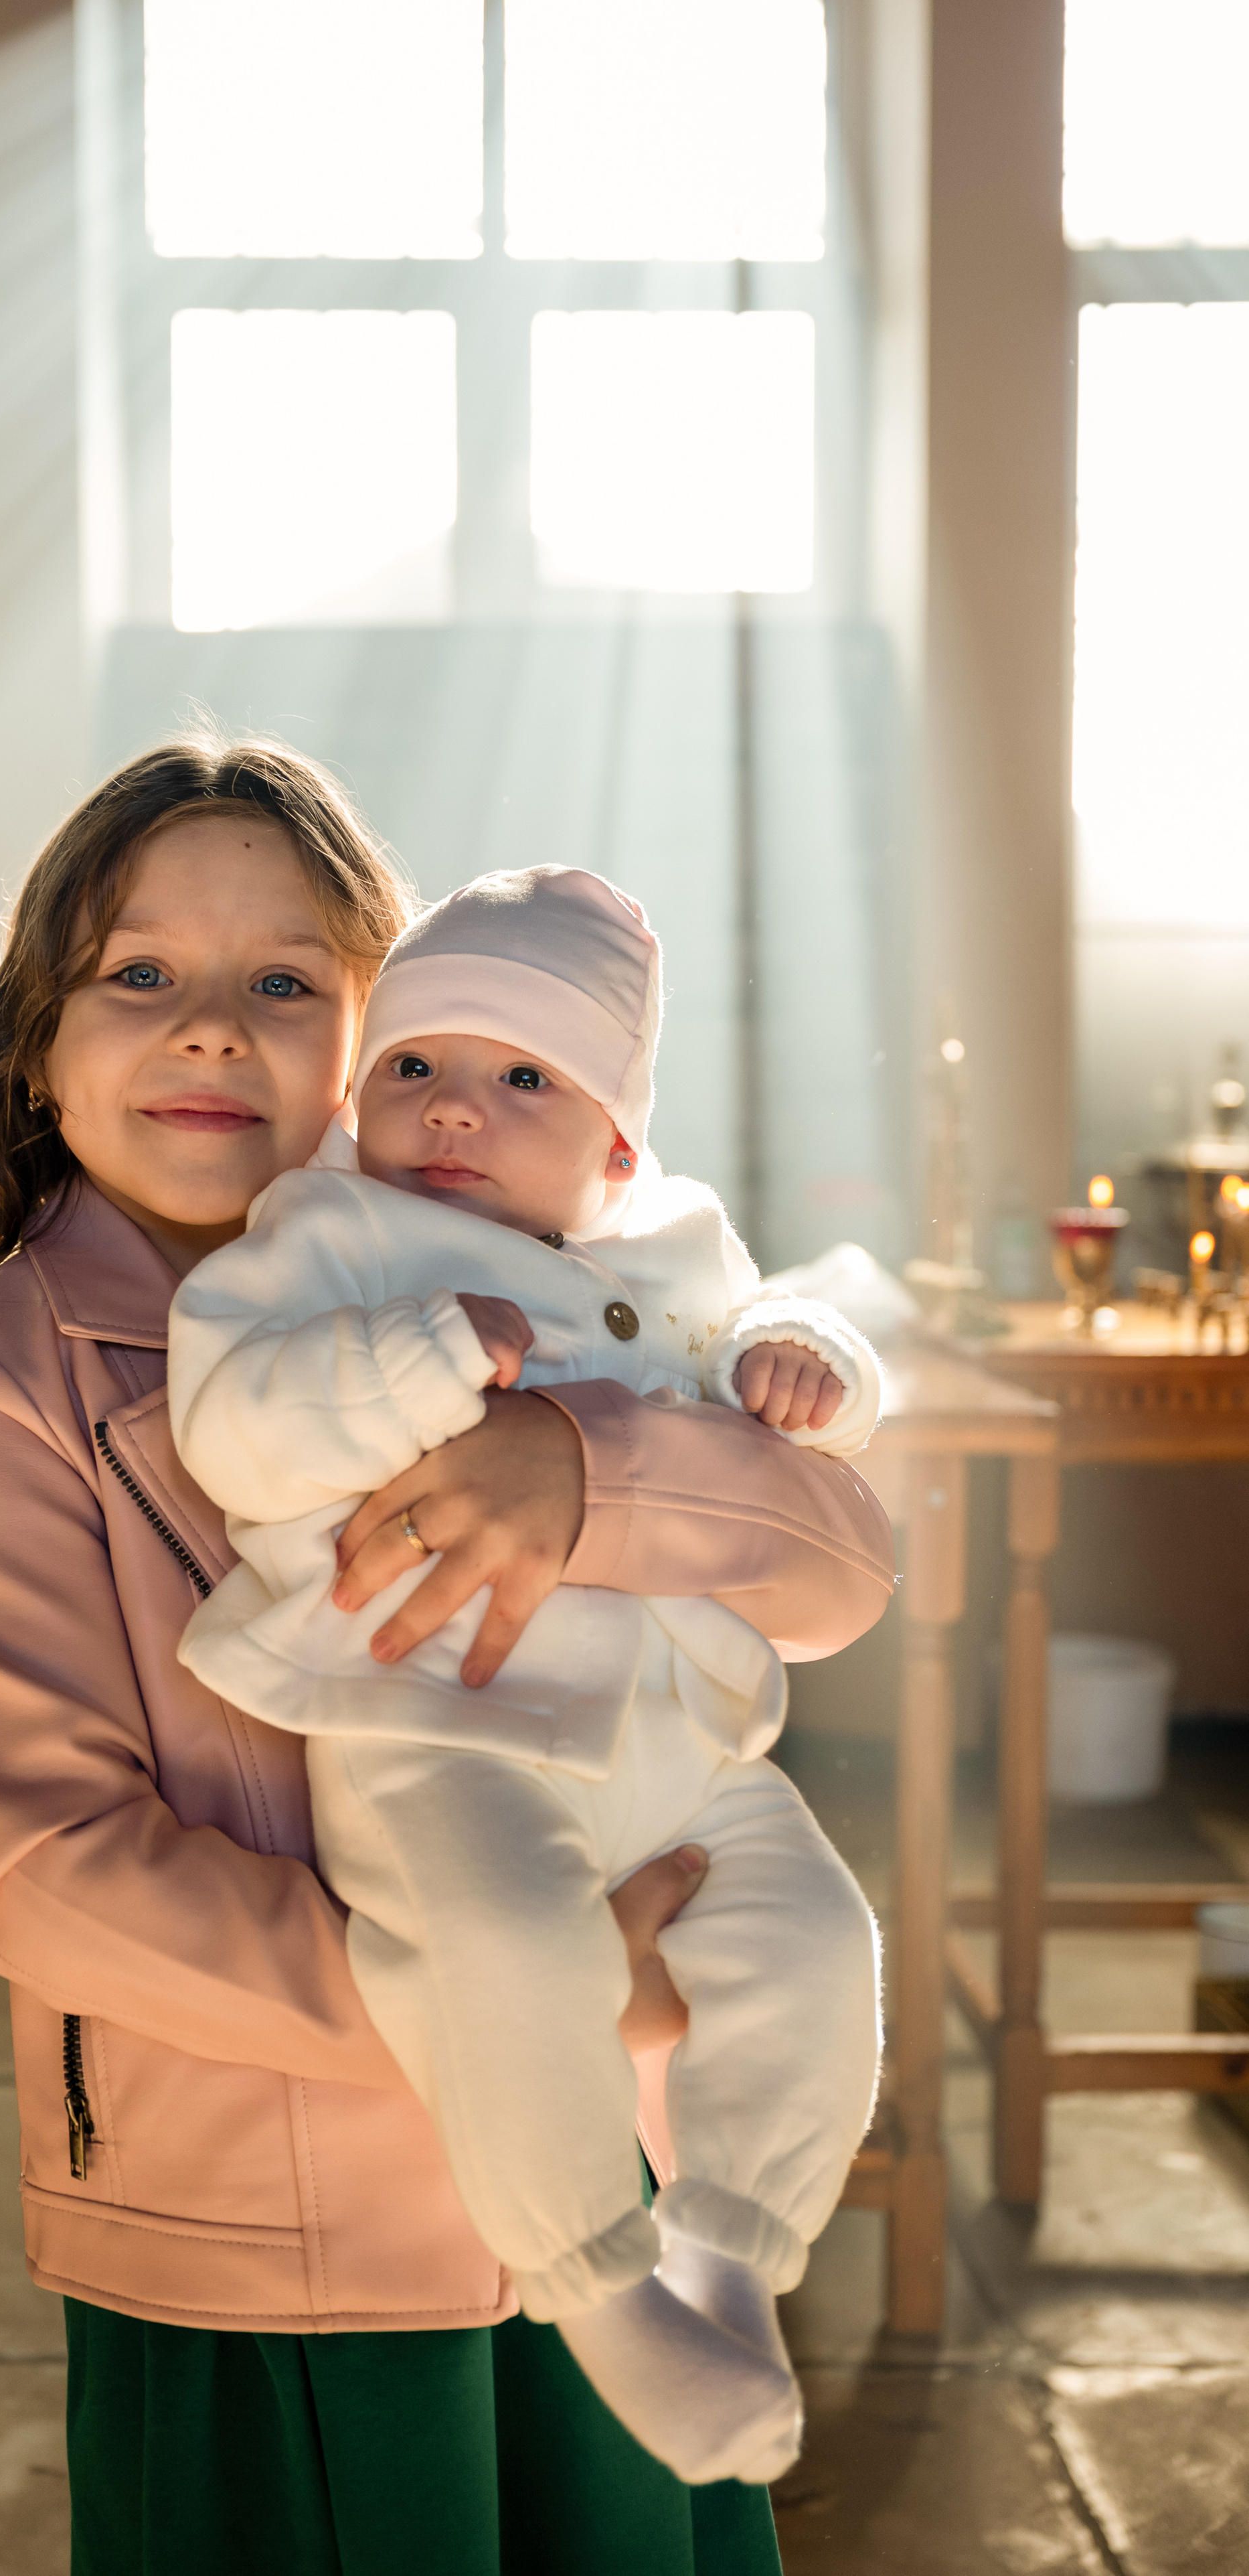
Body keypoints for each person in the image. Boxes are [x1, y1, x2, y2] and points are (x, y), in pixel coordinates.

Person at [0, 736, 897, 2575]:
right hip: (265, 2233)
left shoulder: (560, 1287)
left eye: (285, 982)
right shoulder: (3, 1390)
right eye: (138, 975)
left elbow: (838, 1576)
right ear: (37, 1040)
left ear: (378, 1042)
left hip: (614, 2186)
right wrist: (539, 1985)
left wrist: (581, 1474)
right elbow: (48, 1876)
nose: (208, 1029)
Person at [166, 866, 884, 2489]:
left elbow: (796, 1367)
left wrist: (812, 1367)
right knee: (492, 1947)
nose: (454, 1113)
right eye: (415, 1067)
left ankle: (730, 2247)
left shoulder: (680, 1249)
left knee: (818, 1940)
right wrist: (419, 1358)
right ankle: (598, 2285)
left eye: (521, 1081)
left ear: (613, 1149)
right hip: (435, 1724)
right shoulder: (330, 1236)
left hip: (680, 1750)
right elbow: (234, 1421)